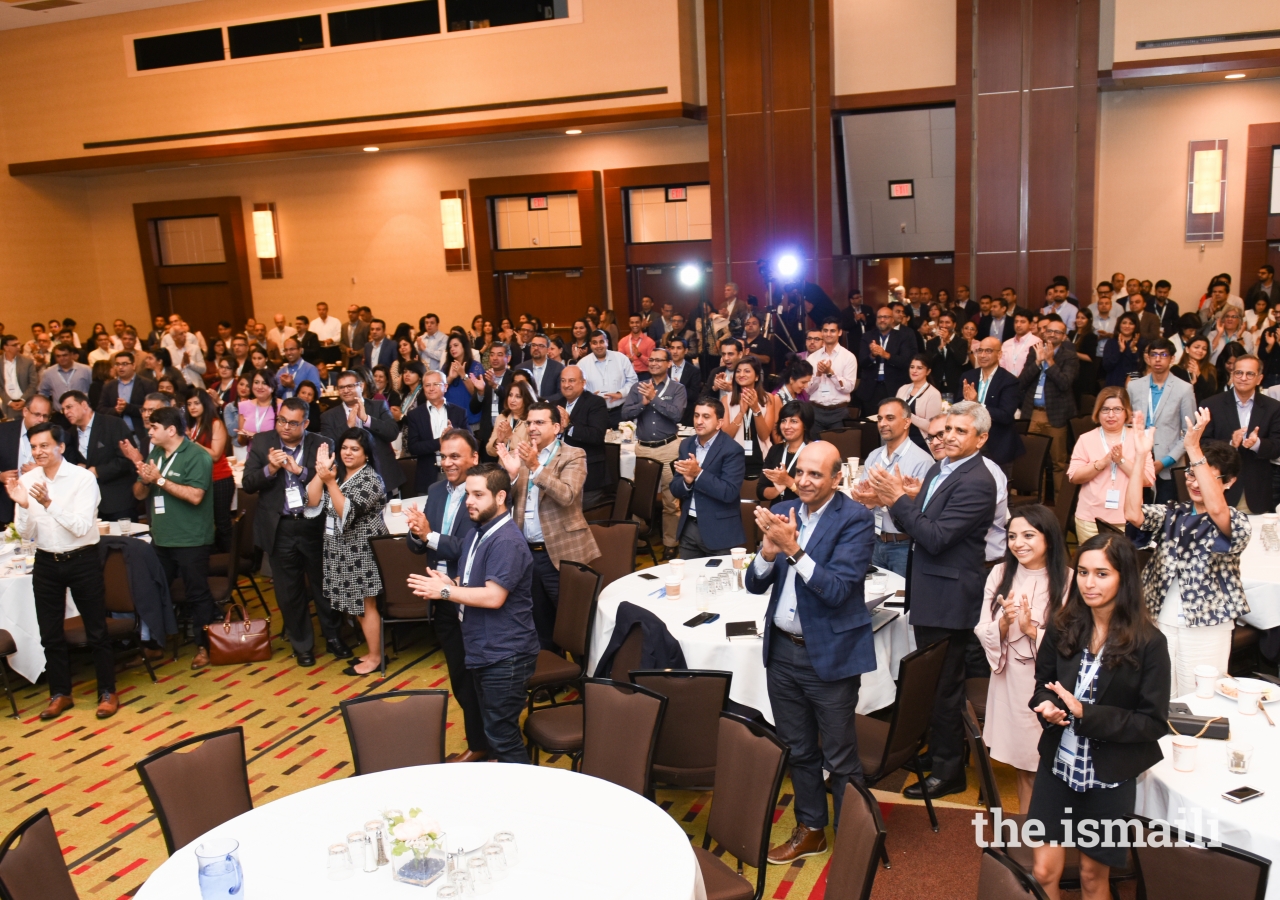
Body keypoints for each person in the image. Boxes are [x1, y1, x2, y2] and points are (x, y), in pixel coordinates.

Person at [745, 442, 877, 864]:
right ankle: (812, 829)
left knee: (840, 757)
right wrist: (767, 551)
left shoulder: (855, 518)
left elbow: (838, 591)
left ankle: (856, 839)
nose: (803, 480)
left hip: (830, 655)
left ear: (837, 478)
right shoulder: (785, 509)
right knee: (798, 748)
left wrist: (792, 549)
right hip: (783, 652)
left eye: (816, 474)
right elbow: (754, 583)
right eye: (800, 471)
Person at [1028, 533, 1169, 899]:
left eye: (1102, 574)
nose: (1089, 583)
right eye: (1084, 572)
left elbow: (1152, 722)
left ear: (1124, 578)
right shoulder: (1062, 625)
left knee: (1093, 877)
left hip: (1107, 777)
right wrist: (1047, 706)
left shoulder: (1149, 643)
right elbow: (1043, 683)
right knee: (1043, 872)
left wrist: (1085, 713)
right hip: (1059, 768)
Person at [869, 401, 997, 799]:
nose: (949, 437)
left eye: (961, 431)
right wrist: (910, 496)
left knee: (945, 687)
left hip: (950, 596)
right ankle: (936, 752)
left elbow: (936, 537)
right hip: (931, 588)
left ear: (981, 438)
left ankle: (950, 770)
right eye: (947, 430)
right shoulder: (944, 470)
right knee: (931, 682)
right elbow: (927, 520)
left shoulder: (978, 480)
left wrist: (897, 500)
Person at [407, 464, 538, 764]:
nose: (469, 501)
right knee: (495, 733)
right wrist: (449, 583)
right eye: (468, 494)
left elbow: (493, 597)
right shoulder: (479, 532)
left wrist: (444, 592)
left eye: (478, 494)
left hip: (506, 654)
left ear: (501, 496)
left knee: (503, 738)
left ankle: (526, 800)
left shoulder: (505, 540)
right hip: (484, 648)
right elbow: (473, 584)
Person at [1127, 408, 1249, 696]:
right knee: (1160, 695)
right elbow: (1133, 513)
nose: (1194, 483)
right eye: (1191, 475)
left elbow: (1217, 509)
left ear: (1229, 482)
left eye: (1204, 476)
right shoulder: (1174, 512)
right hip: (1161, 617)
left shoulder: (1236, 520)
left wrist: (1193, 447)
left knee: (1201, 698)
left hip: (1207, 623)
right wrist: (1140, 456)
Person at [7, 422, 118, 719]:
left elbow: (82, 528)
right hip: (46, 562)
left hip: (82, 560)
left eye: (44, 445)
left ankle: (107, 692)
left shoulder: (82, 479)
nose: (38, 452)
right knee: (50, 634)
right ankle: (60, 693)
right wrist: (25, 505)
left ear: (60, 447)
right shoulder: (28, 480)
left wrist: (48, 503)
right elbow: (26, 533)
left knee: (96, 629)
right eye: (33, 447)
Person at [975, 505, 1073, 811]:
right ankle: (1031, 841)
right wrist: (1003, 624)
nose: (1018, 543)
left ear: (1049, 538)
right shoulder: (1000, 573)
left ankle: (1054, 838)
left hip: (1052, 686)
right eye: (1013, 536)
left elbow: (1075, 643)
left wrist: (1033, 631)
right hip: (1011, 686)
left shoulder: (1069, 581)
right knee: (1025, 767)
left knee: (1052, 768)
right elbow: (982, 627)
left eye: (1028, 535)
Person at [241, 398, 350, 666]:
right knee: (289, 591)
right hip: (280, 527)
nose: (285, 427)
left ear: (306, 423)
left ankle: (334, 636)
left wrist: (299, 471)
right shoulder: (263, 441)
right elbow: (248, 483)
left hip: (314, 525)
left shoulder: (321, 444)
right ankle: (303, 645)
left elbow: (330, 478)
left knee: (324, 584)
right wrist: (271, 468)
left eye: (292, 423)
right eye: (281, 420)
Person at [405, 429, 489, 761]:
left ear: (474, 459)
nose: (448, 463)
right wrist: (417, 533)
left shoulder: (483, 493)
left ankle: (491, 744)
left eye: (456, 456)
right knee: (458, 674)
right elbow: (420, 542)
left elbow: (470, 546)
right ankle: (480, 743)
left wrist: (430, 535)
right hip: (440, 595)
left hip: (472, 594)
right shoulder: (436, 490)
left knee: (479, 676)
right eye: (444, 456)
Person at [497, 402, 598, 650]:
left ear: (556, 427)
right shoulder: (520, 456)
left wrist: (534, 467)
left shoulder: (573, 455)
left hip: (563, 553)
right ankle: (555, 678)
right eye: (529, 422)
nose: (532, 428)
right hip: (528, 553)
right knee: (540, 623)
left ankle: (587, 680)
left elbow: (567, 495)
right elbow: (505, 502)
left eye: (539, 422)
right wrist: (510, 477)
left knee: (575, 624)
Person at [132, 406, 216, 669]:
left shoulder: (197, 456)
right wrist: (145, 481)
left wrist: (159, 480)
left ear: (171, 430)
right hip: (161, 538)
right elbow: (138, 494)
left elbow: (195, 496)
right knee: (154, 591)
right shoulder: (155, 453)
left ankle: (206, 646)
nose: (149, 431)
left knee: (197, 594)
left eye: (154, 427)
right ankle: (155, 645)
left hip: (191, 538)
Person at [306, 427, 389, 677]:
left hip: (362, 548)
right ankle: (373, 651)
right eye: (344, 448)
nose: (348, 453)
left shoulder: (371, 479)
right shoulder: (340, 475)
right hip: (339, 548)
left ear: (366, 454)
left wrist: (330, 481)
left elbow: (346, 513)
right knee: (356, 604)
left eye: (355, 449)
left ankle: (376, 657)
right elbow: (311, 500)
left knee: (366, 603)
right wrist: (321, 474)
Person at [849, 398, 935, 577]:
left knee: (901, 601)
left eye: (889, 418)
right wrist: (868, 501)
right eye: (880, 419)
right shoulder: (874, 456)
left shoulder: (922, 461)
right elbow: (864, 502)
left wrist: (881, 500)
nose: (882, 424)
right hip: (874, 541)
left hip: (903, 545)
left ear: (906, 422)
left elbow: (922, 511)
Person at [620, 349, 687, 555]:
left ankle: (670, 544)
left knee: (670, 499)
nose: (654, 363)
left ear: (669, 364)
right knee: (638, 496)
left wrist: (654, 399)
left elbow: (676, 415)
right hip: (643, 449)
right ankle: (637, 539)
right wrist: (643, 403)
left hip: (668, 448)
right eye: (651, 359)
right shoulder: (638, 387)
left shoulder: (677, 388)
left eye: (659, 360)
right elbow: (624, 413)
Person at [1201, 354, 1280, 513]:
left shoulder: (1273, 407)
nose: (1243, 378)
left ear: (1259, 379)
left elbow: (1277, 446)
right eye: (1238, 373)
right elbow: (1202, 444)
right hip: (1220, 488)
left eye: (1250, 374)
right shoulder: (1211, 404)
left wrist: (1257, 444)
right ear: (1232, 375)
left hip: (1257, 489)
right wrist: (1230, 444)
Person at [670, 398, 747, 558]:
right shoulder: (686, 445)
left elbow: (729, 492)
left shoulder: (732, 450)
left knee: (719, 581)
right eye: (696, 415)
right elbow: (675, 488)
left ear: (719, 423)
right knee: (688, 581)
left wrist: (698, 473)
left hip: (719, 532)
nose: (699, 421)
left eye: (706, 417)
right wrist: (687, 481)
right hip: (689, 528)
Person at [1125, 339, 1195, 504]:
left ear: (1172, 359)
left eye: (1163, 355)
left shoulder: (1184, 389)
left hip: (1168, 463)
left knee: (1164, 514)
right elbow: (1128, 423)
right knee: (1137, 511)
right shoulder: (1134, 387)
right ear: (1147, 358)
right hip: (1137, 459)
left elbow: (1189, 432)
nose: (1158, 359)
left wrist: (1165, 462)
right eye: (1154, 355)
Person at [320, 370, 406, 497]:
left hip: (383, 475)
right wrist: (347, 426)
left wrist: (367, 419)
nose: (346, 390)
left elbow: (392, 433)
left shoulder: (378, 406)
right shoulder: (328, 416)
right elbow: (329, 447)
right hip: (348, 480)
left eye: (350, 386)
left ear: (361, 386)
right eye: (342, 387)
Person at [59, 390, 138, 522]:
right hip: (89, 505)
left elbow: (128, 460)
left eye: (69, 407)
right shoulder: (69, 434)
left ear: (84, 404)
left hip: (118, 502)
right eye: (63, 409)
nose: (66, 412)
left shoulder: (113, 424)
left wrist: (97, 471)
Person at [1018, 315, 1078, 488]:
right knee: (1035, 461)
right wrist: (1038, 361)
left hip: (1055, 415)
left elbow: (1064, 383)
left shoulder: (1070, 357)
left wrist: (1050, 361)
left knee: (1058, 463)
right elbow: (1022, 382)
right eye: (1049, 330)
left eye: (1057, 332)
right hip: (1033, 413)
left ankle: (1060, 508)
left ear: (1064, 336)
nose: (1052, 334)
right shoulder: (1034, 351)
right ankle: (1038, 504)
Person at [961, 338, 1025, 468]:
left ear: (999, 354)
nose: (983, 355)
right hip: (969, 442)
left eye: (988, 351)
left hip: (997, 445)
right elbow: (959, 405)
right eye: (980, 350)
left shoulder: (1009, 381)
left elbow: (1005, 415)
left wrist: (976, 403)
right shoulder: (968, 376)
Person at [405, 370, 469, 494]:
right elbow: (413, 447)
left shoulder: (459, 412)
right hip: (428, 476)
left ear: (445, 387)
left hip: (457, 473)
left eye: (436, 384)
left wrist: (456, 435)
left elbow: (471, 442)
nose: (431, 388)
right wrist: (439, 442)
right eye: (427, 385)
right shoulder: (415, 415)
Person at [185, 391, 234, 552]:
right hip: (200, 480)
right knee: (205, 523)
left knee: (222, 523)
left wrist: (191, 442)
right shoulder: (191, 426)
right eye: (189, 404)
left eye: (196, 403)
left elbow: (215, 454)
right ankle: (213, 560)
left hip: (219, 479)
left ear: (205, 404)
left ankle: (230, 562)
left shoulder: (215, 424)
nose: (192, 407)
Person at [556, 365, 610, 509]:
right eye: (563, 381)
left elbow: (596, 436)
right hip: (559, 475)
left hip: (588, 476)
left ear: (583, 382)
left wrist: (569, 427)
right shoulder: (557, 403)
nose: (566, 385)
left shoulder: (595, 403)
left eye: (571, 381)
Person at [722, 358, 778, 480]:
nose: (741, 375)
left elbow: (764, 435)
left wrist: (756, 409)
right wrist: (741, 413)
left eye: (747, 371)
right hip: (735, 459)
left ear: (757, 377)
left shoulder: (768, 399)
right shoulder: (727, 400)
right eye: (738, 371)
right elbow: (726, 436)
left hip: (761, 458)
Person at [0, 394, 51, 525]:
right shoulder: (3, 431)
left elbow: (66, 467)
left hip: (40, 505)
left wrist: (41, 471)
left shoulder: (56, 436)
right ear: (25, 412)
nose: (41, 420)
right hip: (5, 506)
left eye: (45, 416)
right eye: (37, 415)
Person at [856, 309, 911, 419]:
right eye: (879, 317)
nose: (882, 320)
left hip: (893, 388)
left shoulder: (903, 337)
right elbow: (862, 362)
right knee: (871, 425)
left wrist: (885, 354)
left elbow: (905, 362)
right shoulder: (867, 337)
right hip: (871, 389)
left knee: (893, 423)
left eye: (886, 317)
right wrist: (872, 355)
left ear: (892, 319)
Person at [809, 318, 862, 430]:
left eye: (832, 331)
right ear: (822, 332)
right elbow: (807, 390)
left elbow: (849, 388)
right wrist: (818, 375)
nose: (828, 334)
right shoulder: (812, 358)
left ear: (839, 332)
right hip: (815, 412)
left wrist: (830, 373)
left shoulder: (848, 357)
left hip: (839, 412)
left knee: (838, 447)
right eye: (825, 330)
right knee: (815, 446)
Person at [758, 400, 813, 505]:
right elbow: (760, 491)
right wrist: (777, 490)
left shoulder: (814, 451)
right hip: (777, 513)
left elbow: (815, 495)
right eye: (783, 421)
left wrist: (787, 481)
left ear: (805, 425)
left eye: (793, 421)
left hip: (805, 514)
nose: (787, 426)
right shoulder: (775, 450)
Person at [580, 329, 638, 429]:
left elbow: (633, 380)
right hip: (595, 413)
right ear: (590, 344)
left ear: (607, 342)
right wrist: (590, 397)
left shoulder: (621, 358)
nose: (598, 346)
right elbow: (578, 387)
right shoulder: (582, 364)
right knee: (598, 443)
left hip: (620, 411)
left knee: (622, 443)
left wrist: (621, 394)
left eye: (601, 342)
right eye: (594, 343)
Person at [471, 343, 517, 457]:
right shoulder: (483, 378)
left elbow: (511, 399)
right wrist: (480, 392)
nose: (495, 358)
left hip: (509, 432)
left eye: (499, 354)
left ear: (508, 358)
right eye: (492, 355)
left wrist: (495, 385)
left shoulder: (514, 378)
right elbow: (474, 409)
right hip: (487, 433)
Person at [897, 354, 942, 451]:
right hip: (900, 439)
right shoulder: (903, 389)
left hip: (921, 442)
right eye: (912, 367)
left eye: (919, 368)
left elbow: (931, 426)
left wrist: (907, 414)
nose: (914, 371)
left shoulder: (933, 394)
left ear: (928, 371)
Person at [486, 379, 535, 459]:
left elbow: (527, 451)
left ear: (526, 399)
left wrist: (510, 435)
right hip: (503, 467)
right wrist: (499, 441)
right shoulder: (502, 417)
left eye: (518, 396)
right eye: (510, 395)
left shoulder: (532, 420)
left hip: (523, 468)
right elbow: (490, 451)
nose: (512, 400)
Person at [236, 368, 278, 447]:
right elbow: (241, 442)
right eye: (256, 382)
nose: (259, 387)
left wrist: (255, 436)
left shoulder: (282, 406)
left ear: (272, 387)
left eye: (264, 383)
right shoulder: (244, 405)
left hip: (274, 456)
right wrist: (243, 436)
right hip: (252, 457)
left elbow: (283, 439)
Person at [0, 334, 38, 421]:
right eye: (14, 345)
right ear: (6, 347)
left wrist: (23, 400)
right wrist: (9, 401)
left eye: (18, 344)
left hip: (26, 403)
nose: (18, 347)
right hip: (8, 405)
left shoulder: (27, 361)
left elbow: (33, 383)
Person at [666, 336, 702, 426]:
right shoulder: (664, 367)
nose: (675, 351)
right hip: (665, 413)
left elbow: (694, 395)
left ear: (686, 351)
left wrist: (679, 387)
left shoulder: (694, 371)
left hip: (685, 415)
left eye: (679, 348)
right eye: (672, 348)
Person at [999, 311, 1041, 377]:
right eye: (1016, 322)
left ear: (1030, 324)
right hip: (1006, 382)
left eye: (1022, 322)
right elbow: (1001, 364)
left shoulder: (1037, 342)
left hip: (1027, 382)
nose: (1018, 325)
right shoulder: (1006, 343)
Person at [1178, 335, 1217, 403]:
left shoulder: (1210, 369)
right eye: (1197, 347)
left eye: (1204, 349)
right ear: (1187, 349)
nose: (1200, 351)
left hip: (1202, 408)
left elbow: (1211, 393)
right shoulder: (1176, 369)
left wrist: (1198, 374)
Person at [619, 315, 656, 380]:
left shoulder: (650, 342)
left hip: (644, 375)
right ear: (629, 324)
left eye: (637, 322)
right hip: (627, 375)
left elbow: (652, 363)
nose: (634, 325)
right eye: (632, 323)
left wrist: (639, 355)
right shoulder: (622, 341)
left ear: (641, 323)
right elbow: (619, 361)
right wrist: (626, 359)